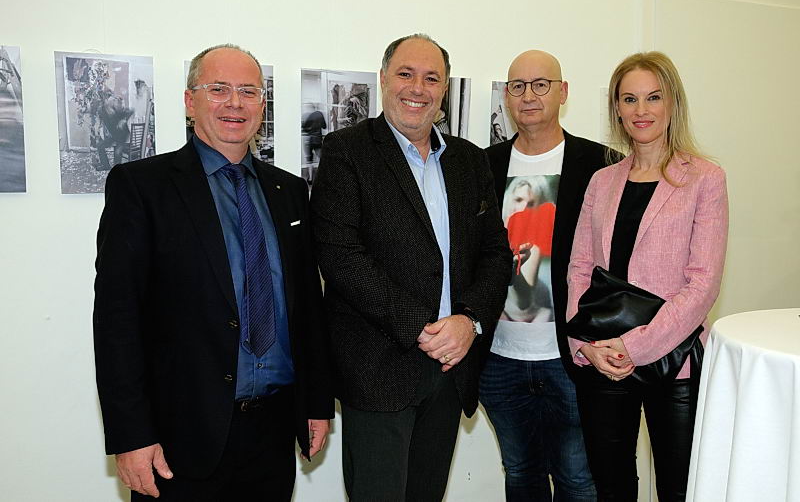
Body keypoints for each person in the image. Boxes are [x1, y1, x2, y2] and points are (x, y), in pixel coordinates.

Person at [93, 44, 333, 501]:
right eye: (218, 89)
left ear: (262, 105)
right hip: (180, 436)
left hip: (274, 431)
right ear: (190, 101)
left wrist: (317, 402)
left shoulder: (289, 191)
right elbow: (116, 321)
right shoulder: (142, 187)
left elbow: (308, 306)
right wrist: (131, 435)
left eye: (248, 91)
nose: (235, 103)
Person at [310, 33, 511, 501]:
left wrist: (469, 321)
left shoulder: (469, 160)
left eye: (431, 78)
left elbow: (495, 254)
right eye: (405, 74)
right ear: (383, 79)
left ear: (444, 88)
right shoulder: (346, 151)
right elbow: (340, 256)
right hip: (378, 370)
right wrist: (422, 327)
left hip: (451, 369)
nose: (417, 88)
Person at [566, 51, 728, 501]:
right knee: (612, 486)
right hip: (603, 358)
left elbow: (703, 283)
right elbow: (580, 268)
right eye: (630, 99)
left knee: (680, 488)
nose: (641, 110)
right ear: (616, 108)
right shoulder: (602, 181)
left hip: (674, 361)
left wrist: (634, 346)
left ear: (672, 103)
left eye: (653, 97)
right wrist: (584, 344)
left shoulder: (705, 179)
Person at [481, 50, 607, 501]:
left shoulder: (600, 164)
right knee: (520, 474)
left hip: (571, 356)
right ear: (506, 96)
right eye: (518, 86)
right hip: (498, 358)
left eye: (541, 84)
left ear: (563, 92)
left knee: (578, 479)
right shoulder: (483, 166)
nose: (529, 96)